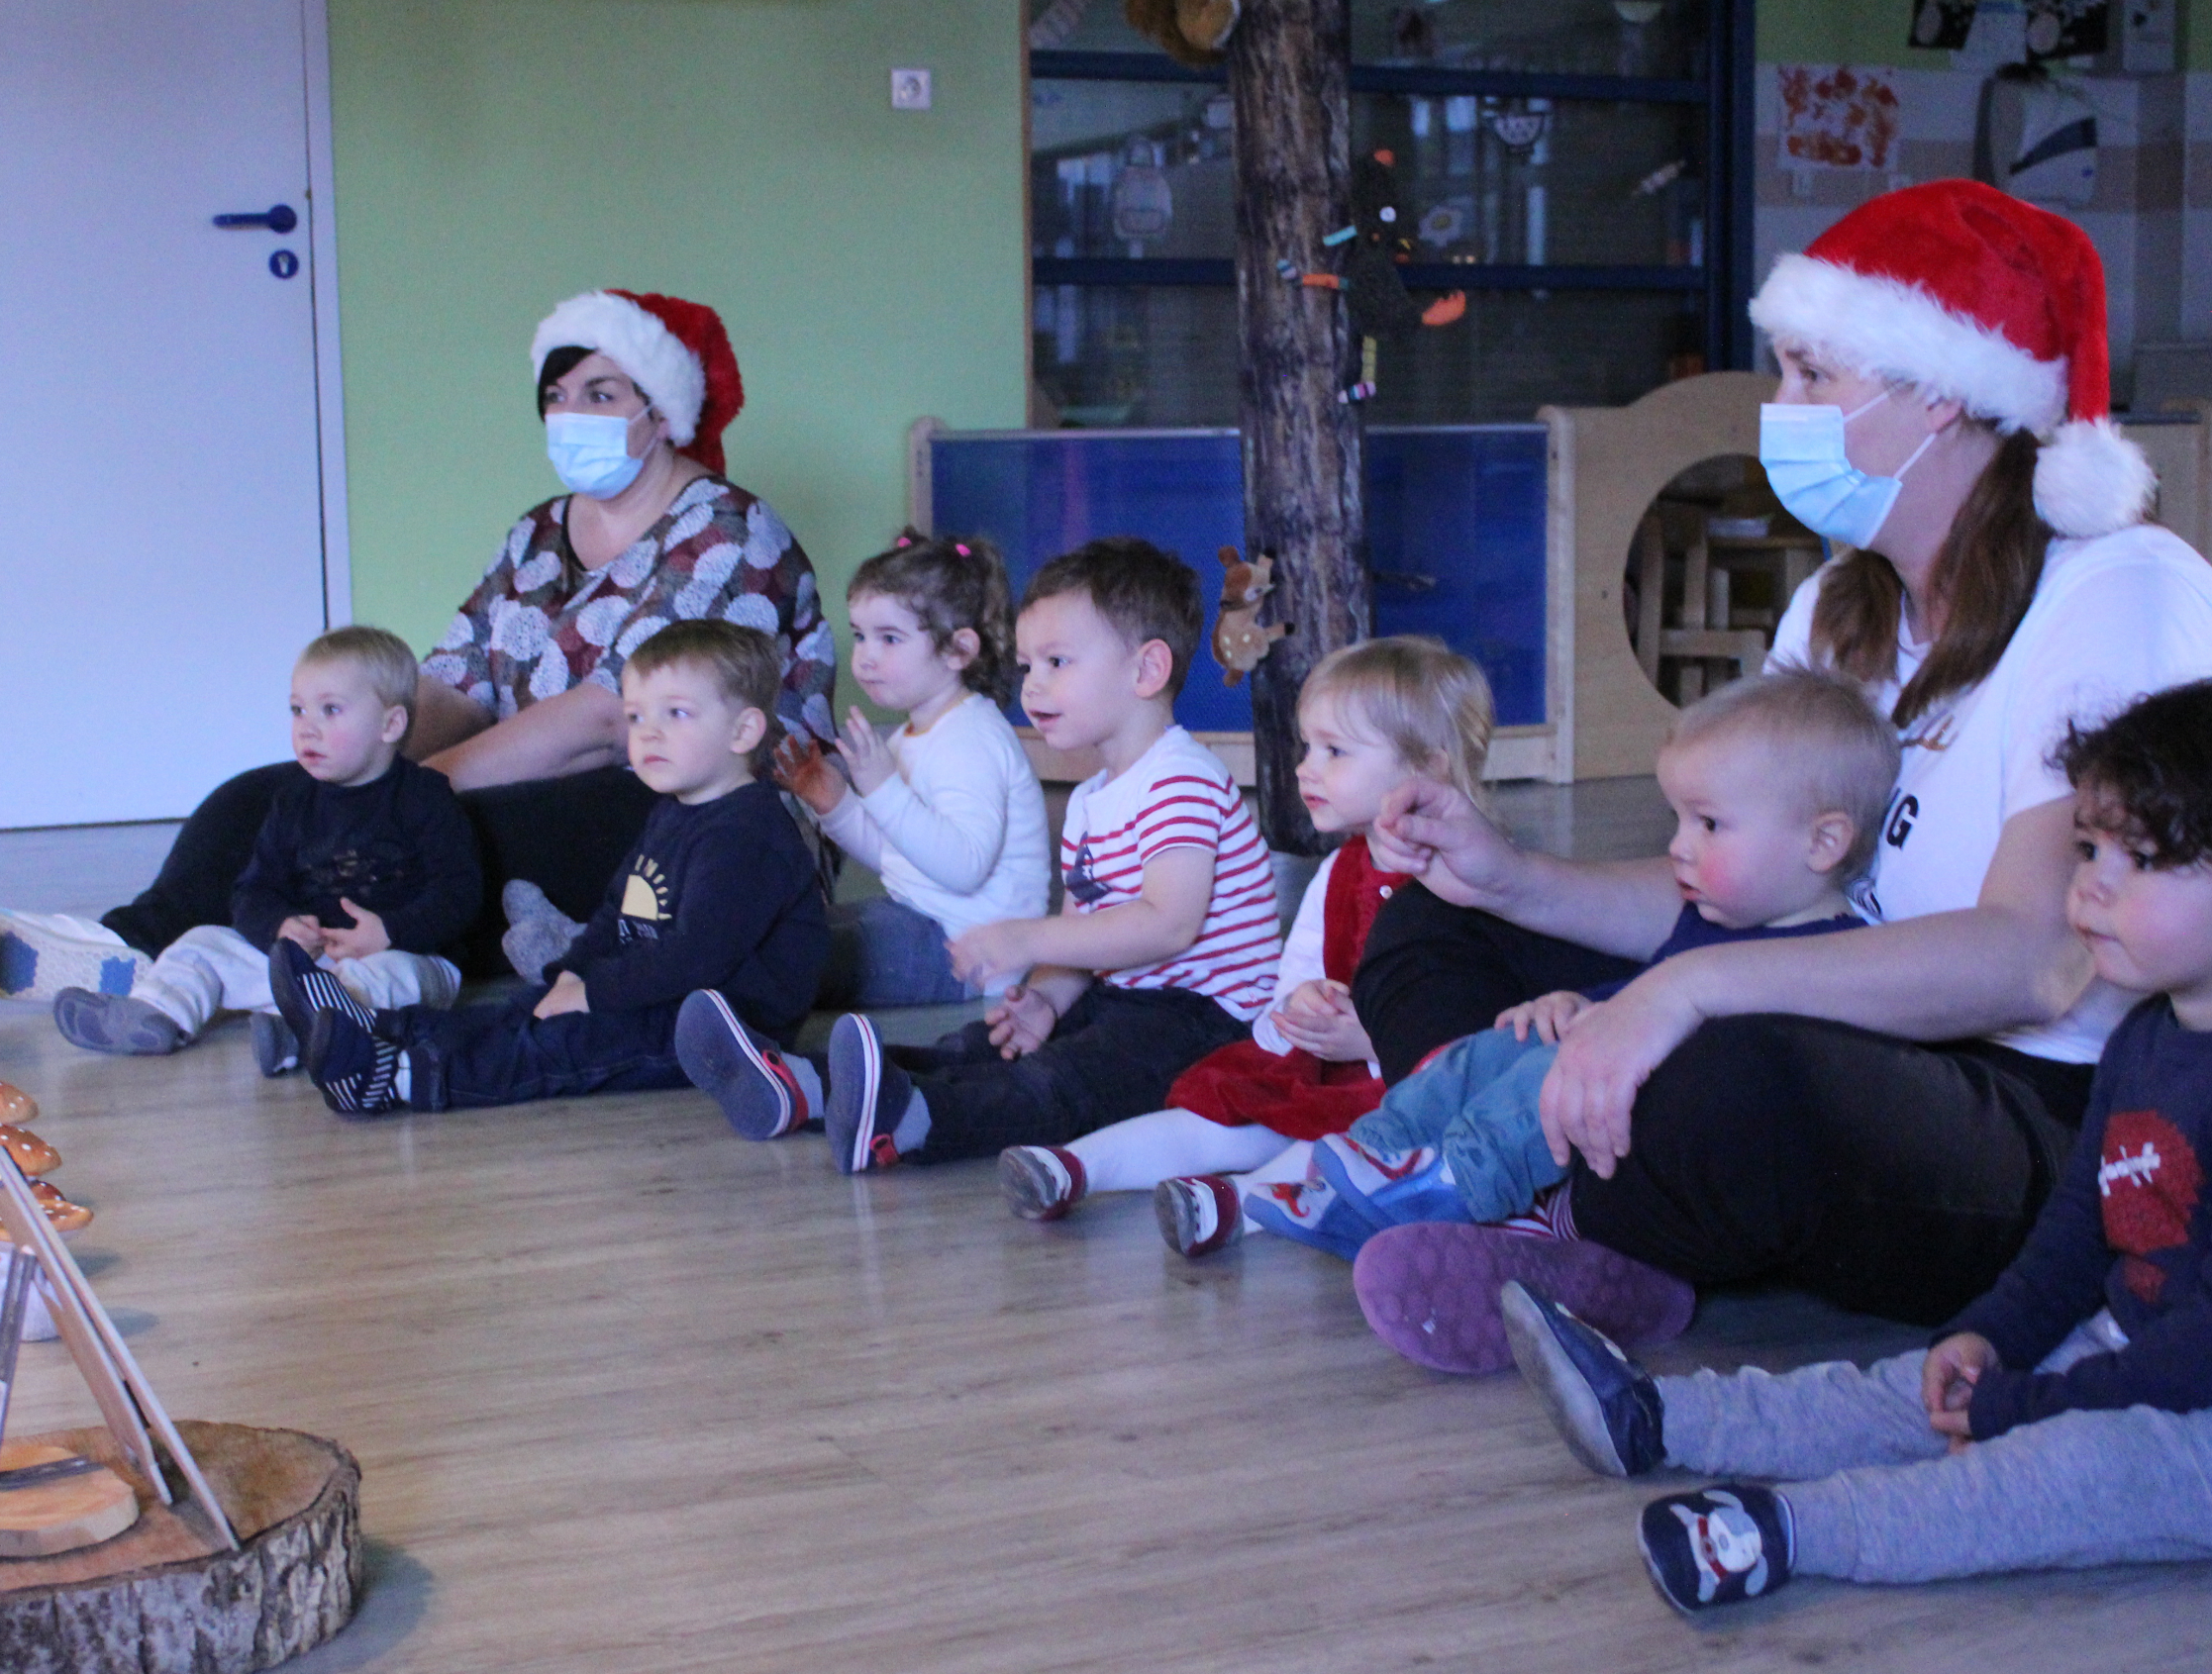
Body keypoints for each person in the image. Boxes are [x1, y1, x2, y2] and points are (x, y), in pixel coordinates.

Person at [1345, 179, 2212, 1366]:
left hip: (2042, 1104)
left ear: (1943, 392)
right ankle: (1517, 1184)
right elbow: (1734, 884)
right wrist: (1511, 876)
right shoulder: (1839, 604)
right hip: (1822, 1002)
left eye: (1813, 374)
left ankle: (1549, 1201)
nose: (1779, 409)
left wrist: (1683, 993)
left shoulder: (2119, 593)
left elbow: (2039, 960)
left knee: (1721, 1073)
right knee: (1435, 924)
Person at [1506, 679, 2212, 1616]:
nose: (2091, 884)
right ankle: (1659, 1416)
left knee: (2063, 1468)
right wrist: (1995, 1335)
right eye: (2090, 849)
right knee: (1917, 1385)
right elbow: (2081, 1226)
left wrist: (2027, 1405)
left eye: (2142, 859)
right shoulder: (2152, 1036)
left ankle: (1790, 1531)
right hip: (2146, 1354)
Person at [0, 291, 832, 1001]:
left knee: (445, 832)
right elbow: (452, 683)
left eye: (601, 395)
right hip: (533, 779)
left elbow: (607, 721)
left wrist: (416, 792)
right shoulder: (538, 533)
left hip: (696, 814)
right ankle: (133, 944)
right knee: (272, 798)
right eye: (557, 398)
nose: (571, 416)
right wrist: (367, 754)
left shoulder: (726, 531)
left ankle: (290, 967)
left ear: (662, 412)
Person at [1232, 672, 1899, 1350]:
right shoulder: (1711, 917)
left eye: (1709, 824)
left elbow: (1731, 1058)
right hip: (1602, 1103)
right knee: (1479, 1055)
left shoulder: (1830, 959)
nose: (1678, 845)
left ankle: (1457, 1181)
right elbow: (1650, 995)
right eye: (1677, 820)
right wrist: (1583, 1001)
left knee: (1544, 1073)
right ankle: (1373, 1157)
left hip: (1643, 1128)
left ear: (1823, 843)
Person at [678, 537, 1279, 1173]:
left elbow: (1168, 924)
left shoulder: (1181, 779)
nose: (1032, 686)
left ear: (1146, 670)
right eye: (1027, 666)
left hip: (1211, 1027)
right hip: (1133, 1002)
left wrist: (1025, 938)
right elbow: (1082, 935)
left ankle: (915, 1122)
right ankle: (804, 1086)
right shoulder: (1090, 799)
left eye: (1056, 662)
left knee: (1061, 1080)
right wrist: (1045, 1000)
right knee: (978, 1047)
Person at [991, 637, 1487, 1243]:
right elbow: (1295, 975)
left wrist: (1375, 1039)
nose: (1305, 768)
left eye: (1335, 751)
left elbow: (1477, 1030)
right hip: (1321, 1065)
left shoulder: (1471, 883)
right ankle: (1075, 1167)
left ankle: (1237, 1206)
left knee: (1342, 1147)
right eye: (1308, 747)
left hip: (1403, 1089)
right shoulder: (1339, 871)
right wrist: (1299, 1009)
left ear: (1428, 768)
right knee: (1222, 1113)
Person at [274, 620, 827, 1116]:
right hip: (656, 993)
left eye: (676, 713)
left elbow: (696, 956)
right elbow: (618, 910)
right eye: (636, 717)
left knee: (559, 1046)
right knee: (525, 1008)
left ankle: (398, 1076)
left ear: (743, 732)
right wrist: (574, 971)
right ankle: (376, 1027)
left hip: (721, 1030)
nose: (648, 733)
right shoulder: (673, 813)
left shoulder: (749, 835)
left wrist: (593, 993)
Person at [50, 627, 478, 1070]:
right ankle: (155, 1012)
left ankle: (308, 1032)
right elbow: (253, 892)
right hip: (305, 964)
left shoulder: (425, 798)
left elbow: (460, 893)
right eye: (298, 710)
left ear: (390, 725)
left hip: (403, 957)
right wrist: (279, 927)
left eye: (330, 710)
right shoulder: (293, 801)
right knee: (202, 943)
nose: (307, 727)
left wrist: (390, 931)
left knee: (387, 978)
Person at [773, 531, 1049, 1009]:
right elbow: (895, 858)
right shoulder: (909, 736)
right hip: (920, 920)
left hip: (968, 953)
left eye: (890, 638)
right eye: (860, 635)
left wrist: (882, 787)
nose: (865, 657)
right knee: (782, 931)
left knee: (784, 957)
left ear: (958, 650)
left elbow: (963, 868)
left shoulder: (972, 738)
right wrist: (834, 803)